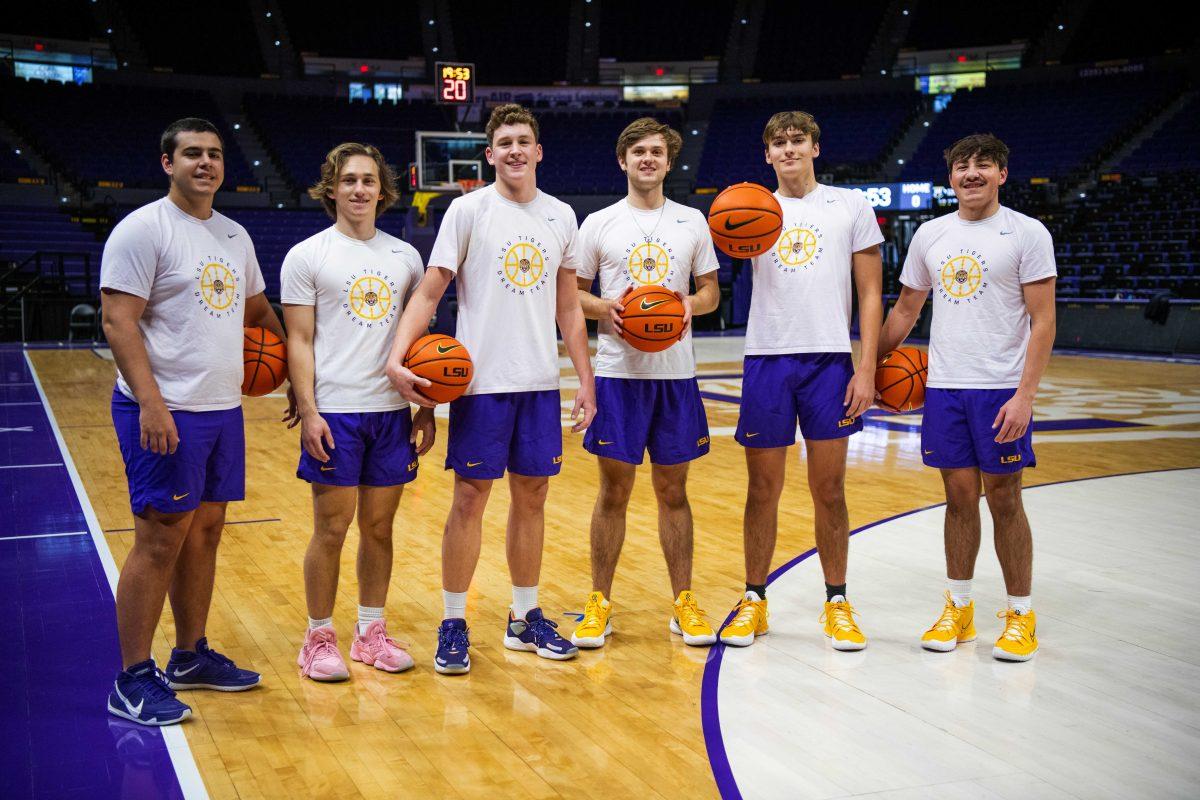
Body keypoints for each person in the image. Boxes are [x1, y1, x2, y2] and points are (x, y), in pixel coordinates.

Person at [385, 104, 596, 673]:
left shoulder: (562, 216)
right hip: (479, 385)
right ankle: (454, 621)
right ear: (489, 154)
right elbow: (429, 295)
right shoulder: (468, 210)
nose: (514, 150)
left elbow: (570, 305)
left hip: (537, 385)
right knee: (470, 500)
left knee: (533, 499)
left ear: (539, 150)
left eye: (523, 140)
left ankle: (523, 617)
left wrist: (585, 379)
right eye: (504, 142)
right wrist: (396, 358)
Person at [101, 117, 287, 725]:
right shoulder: (143, 230)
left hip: (221, 409)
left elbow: (256, 309)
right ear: (167, 163)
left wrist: (295, 365)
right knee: (159, 539)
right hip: (164, 410)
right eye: (191, 154)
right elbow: (118, 321)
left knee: (204, 534)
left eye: (213, 154)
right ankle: (131, 678)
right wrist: (151, 401)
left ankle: (189, 655)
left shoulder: (234, 235)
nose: (205, 163)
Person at [877, 133, 1056, 662]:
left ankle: (1021, 613)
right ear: (950, 176)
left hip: (1001, 388)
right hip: (945, 388)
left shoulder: (1026, 233)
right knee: (957, 500)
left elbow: (1043, 321)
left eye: (983, 165)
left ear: (1003, 173)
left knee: (1005, 500)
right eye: (961, 166)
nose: (971, 173)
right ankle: (959, 606)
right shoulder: (931, 234)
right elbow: (907, 310)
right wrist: (867, 365)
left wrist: (1025, 395)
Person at [721, 111, 884, 650]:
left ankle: (836, 600)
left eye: (798, 140)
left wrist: (866, 366)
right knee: (761, 489)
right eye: (778, 143)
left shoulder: (850, 206)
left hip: (830, 361)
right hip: (767, 357)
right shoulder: (749, 208)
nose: (789, 149)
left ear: (816, 147)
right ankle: (754, 599)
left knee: (829, 489)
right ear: (766, 154)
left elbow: (869, 293)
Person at [281, 142, 433, 681]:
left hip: (391, 410)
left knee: (380, 528)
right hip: (337, 412)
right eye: (348, 180)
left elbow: (419, 342)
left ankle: (370, 634)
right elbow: (298, 341)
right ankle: (317, 638)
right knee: (331, 527)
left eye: (368, 180)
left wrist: (425, 406)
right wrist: (310, 408)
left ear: (383, 190)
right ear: (332, 189)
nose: (359, 189)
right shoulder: (307, 256)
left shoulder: (405, 257)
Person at [569, 117, 721, 649]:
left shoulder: (692, 222)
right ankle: (599, 603)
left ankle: (683, 602)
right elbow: (575, 297)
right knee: (613, 492)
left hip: (675, 375)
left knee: (673, 492)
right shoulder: (599, 224)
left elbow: (710, 294)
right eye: (638, 151)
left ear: (668, 160)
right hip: (617, 375)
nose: (647, 159)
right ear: (623, 161)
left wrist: (684, 304)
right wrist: (605, 308)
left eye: (656, 151)